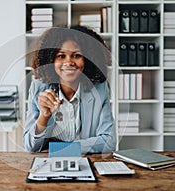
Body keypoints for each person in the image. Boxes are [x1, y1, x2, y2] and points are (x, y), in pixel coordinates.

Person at [23, 25, 116, 154]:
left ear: (88, 60)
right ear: (51, 60)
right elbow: (29, 146)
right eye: (61, 56)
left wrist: (62, 149)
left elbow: (109, 142)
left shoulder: (99, 89)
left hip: (85, 161)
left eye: (76, 56)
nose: (69, 62)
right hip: (48, 163)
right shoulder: (39, 87)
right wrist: (44, 116)